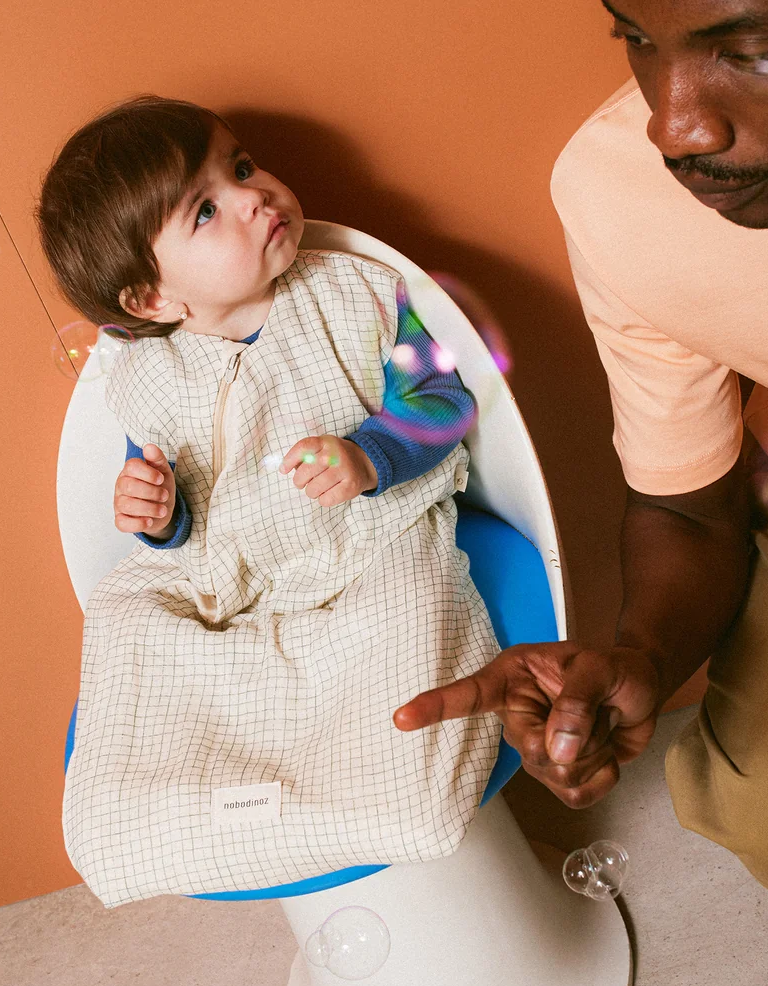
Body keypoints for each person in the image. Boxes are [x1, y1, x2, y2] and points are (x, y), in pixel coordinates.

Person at [395, 0, 768, 907]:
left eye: (751, 50)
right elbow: (685, 506)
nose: (674, 129)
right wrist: (644, 654)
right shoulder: (619, 192)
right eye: (635, 36)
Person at [38, 96, 501, 906]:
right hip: (231, 574)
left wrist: (371, 455)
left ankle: (387, 797)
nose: (253, 196)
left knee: (415, 599)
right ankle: (195, 810)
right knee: (123, 613)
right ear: (151, 299)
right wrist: (155, 515)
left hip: (367, 544)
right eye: (206, 209)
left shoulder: (358, 295)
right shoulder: (147, 373)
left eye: (242, 166)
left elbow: (442, 400)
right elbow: (169, 496)